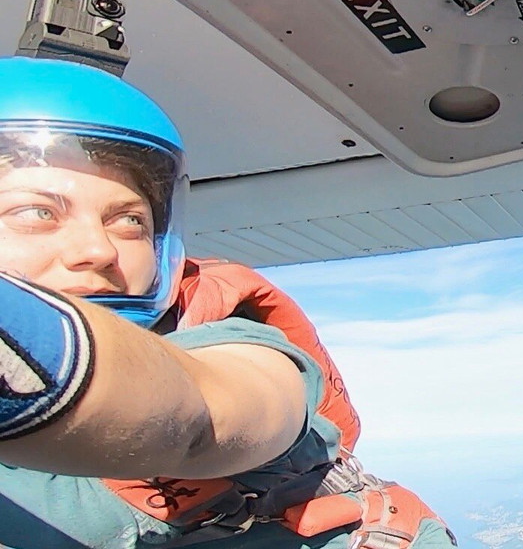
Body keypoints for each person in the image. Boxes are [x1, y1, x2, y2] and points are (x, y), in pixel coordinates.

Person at [0, 56, 455, 549]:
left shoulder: (233, 341)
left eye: (130, 220)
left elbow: (202, 414)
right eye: (37, 212)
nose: (99, 249)